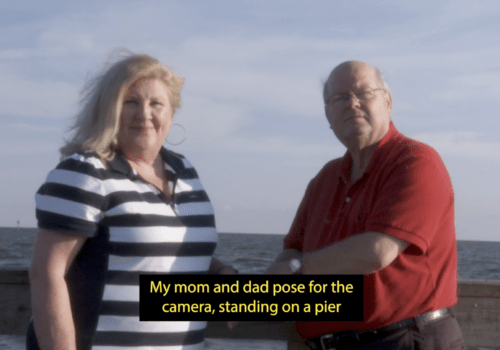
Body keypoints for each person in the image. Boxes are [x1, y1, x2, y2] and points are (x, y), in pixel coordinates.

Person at [27, 52, 237, 350]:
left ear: (171, 113)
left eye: (156, 104)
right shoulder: (86, 171)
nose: (144, 114)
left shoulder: (185, 171)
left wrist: (220, 272)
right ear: (108, 110)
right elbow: (46, 273)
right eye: (130, 102)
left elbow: (159, 252)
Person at [265, 61, 465, 349]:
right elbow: (292, 249)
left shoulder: (416, 161)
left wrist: (296, 269)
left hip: (405, 339)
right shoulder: (325, 179)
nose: (353, 104)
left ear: (388, 101)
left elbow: (377, 251)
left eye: (364, 93)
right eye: (340, 98)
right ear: (328, 114)